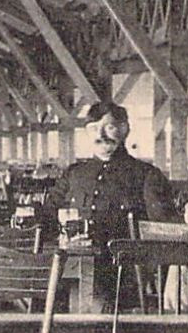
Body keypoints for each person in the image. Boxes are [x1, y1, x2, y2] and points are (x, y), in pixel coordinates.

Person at [44, 101, 178, 249]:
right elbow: (48, 217)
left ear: (124, 129)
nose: (100, 135)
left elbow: (163, 230)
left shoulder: (146, 174)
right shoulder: (73, 173)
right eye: (93, 128)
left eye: (109, 127)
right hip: (73, 265)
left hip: (123, 266)